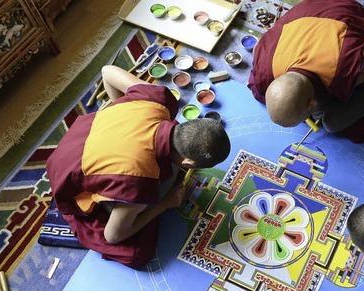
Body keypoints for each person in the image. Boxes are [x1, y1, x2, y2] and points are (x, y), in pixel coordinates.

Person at [46, 65, 230, 268]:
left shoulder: (158, 100)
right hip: (67, 175)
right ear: (189, 163)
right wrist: (165, 204)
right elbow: (112, 235)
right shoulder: (140, 179)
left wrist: (122, 109)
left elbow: (107, 71)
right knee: (137, 253)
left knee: (167, 171)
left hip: (79, 137)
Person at [248, 0, 364, 142]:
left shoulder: (345, 72)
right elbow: (258, 46)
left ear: (312, 103)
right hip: (308, 7)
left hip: (344, 8)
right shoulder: (264, 66)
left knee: (336, 123)